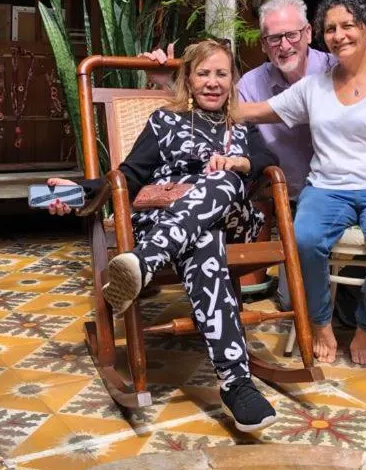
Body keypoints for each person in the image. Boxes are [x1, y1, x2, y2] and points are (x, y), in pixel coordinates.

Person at [145, 0, 366, 317]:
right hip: (306, 197)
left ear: (309, 33)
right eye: (274, 38)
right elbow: (221, 107)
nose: (284, 45)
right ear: (264, 43)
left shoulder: (338, 63)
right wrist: (172, 85)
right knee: (290, 300)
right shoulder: (259, 84)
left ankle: (353, 292)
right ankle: (337, 295)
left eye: (291, 35)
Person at [48, 39, 279, 435]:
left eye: (221, 74)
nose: (212, 82)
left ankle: (143, 262)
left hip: (233, 219)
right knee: (204, 243)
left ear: (231, 80)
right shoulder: (164, 121)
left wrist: (241, 162)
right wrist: (75, 193)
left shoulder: (241, 124)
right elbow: (128, 176)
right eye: (203, 73)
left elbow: (268, 163)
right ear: (187, 79)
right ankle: (236, 383)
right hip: (173, 222)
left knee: (221, 181)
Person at [236, 0, 366, 367]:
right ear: (322, 35)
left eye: (348, 26)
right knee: (304, 241)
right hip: (326, 189)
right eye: (331, 28)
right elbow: (253, 111)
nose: (339, 35)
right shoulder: (314, 86)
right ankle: (321, 322)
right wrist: (183, 87)